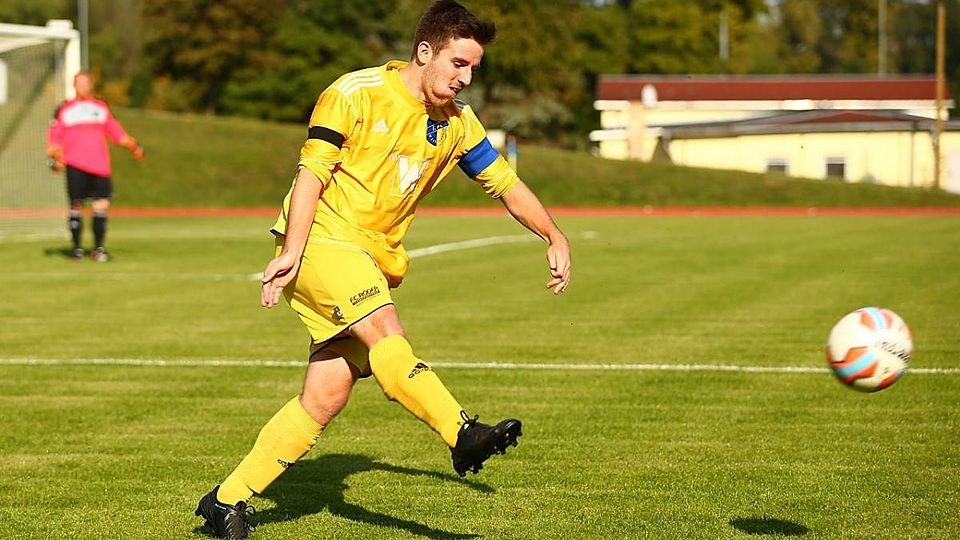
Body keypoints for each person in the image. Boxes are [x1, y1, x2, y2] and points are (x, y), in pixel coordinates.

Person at [194, 1, 571, 538]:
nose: (465, 79)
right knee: (385, 330)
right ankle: (461, 432)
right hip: (322, 239)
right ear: (425, 51)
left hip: (371, 257)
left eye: (473, 69)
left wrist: (554, 235)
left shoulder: (458, 123)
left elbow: (504, 183)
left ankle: (224, 501)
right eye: (458, 64)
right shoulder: (355, 93)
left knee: (325, 396)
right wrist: (293, 250)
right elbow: (312, 172)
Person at [46, 71, 144, 262]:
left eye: (85, 83)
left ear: (91, 85)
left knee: (102, 205)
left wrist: (133, 146)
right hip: (75, 164)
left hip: (100, 165)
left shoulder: (100, 108)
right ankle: (77, 250)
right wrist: (55, 156)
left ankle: (98, 250)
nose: (82, 87)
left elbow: (116, 133)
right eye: (79, 83)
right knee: (76, 205)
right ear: (74, 86)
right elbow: (54, 137)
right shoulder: (64, 109)